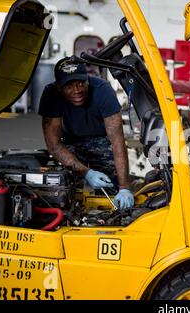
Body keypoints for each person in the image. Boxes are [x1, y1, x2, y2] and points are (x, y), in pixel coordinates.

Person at [39, 57, 134, 210]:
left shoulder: (103, 90)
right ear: (58, 86)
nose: (77, 90)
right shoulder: (51, 94)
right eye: (69, 86)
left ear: (87, 80)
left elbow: (117, 142)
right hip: (70, 141)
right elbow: (54, 144)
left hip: (102, 140)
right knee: (63, 184)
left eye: (81, 83)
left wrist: (124, 187)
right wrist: (87, 172)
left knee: (112, 186)